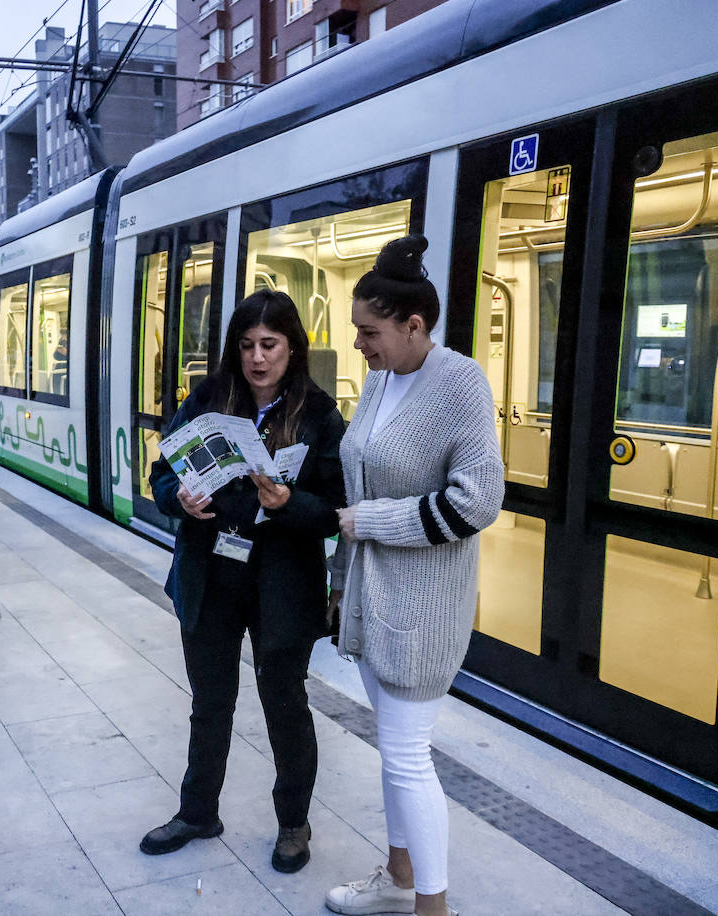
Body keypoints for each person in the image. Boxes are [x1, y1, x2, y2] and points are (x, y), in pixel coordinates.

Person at [323, 236, 503, 916]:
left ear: (413, 325)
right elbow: (361, 470)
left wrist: (371, 522)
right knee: (392, 750)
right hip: (372, 601)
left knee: (406, 756)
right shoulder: (380, 379)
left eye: (369, 333)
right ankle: (399, 879)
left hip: (424, 610)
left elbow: (477, 501)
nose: (360, 346)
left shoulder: (459, 383)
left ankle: (433, 907)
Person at [139, 289, 346, 874]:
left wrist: (285, 503)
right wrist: (177, 499)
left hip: (282, 583)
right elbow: (161, 474)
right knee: (210, 703)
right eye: (247, 345)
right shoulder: (207, 399)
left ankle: (293, 825)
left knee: (285, 705)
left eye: (270, 345)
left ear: (292, 348)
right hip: (211, 574)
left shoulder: (319, 414)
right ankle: (197, 811)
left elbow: (334, 507)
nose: (257, 358)